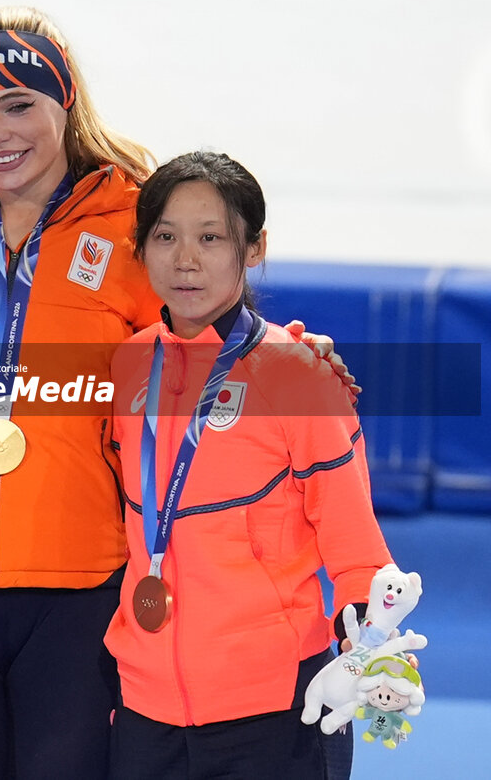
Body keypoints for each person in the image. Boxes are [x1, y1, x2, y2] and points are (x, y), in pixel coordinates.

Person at [0, 7, 353, 779]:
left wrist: (288, 349)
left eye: (20, 104)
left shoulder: (130, 212)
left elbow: (198, 336)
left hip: (82, 588)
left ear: (64, 99)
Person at [105, 151, 394, 779]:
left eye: (211, 238)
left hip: (274, 708)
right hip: (145, 708)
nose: (186, 259)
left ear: (254, 248)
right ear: (140, 248)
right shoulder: (127, 366)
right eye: (165, 237)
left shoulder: (298, 375)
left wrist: (372, 653)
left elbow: (355, 550)